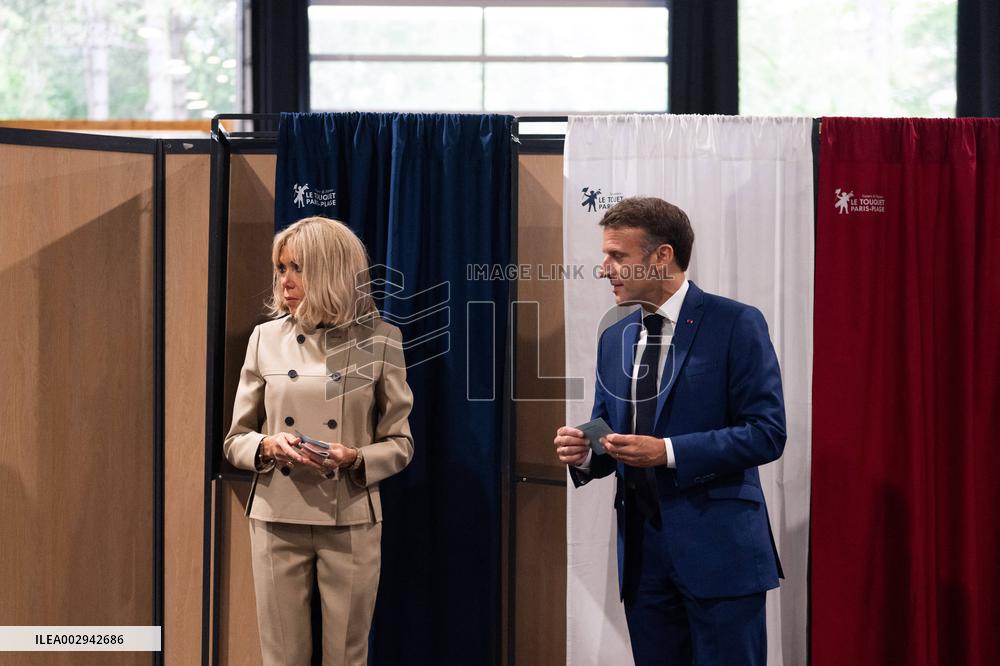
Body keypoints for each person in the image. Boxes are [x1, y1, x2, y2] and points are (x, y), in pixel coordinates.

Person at [553, 197, 785, 665]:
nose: (604, 269)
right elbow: (610, 430)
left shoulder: (736, 323)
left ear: (662, 256)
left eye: (618, 256)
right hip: (643, 559)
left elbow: (766, 432)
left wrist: (669, 451)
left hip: (720, 553)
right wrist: (585, 450)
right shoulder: (614, 336)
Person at [224, 216, 414, 665]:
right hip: (276, 516)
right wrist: (268, 446)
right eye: (281, 268)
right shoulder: (263, 340)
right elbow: (236, 440)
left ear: (332, 271)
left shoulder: (382, 341)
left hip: (348, 516)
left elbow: (400, 444)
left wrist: (354, 457)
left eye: (299, 268)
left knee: (346, 656)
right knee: (281, 657)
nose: (285, 281)